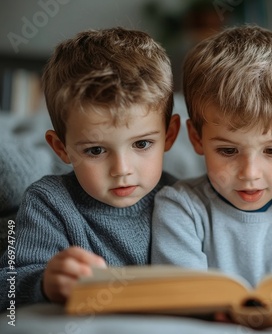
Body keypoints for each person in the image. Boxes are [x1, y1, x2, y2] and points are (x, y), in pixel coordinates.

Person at [0, 27, 180, 310]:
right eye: (96, 150)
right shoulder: (48, 202)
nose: (122, 170)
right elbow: (6, 287)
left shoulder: (182, 199)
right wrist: (44, 283)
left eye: (142, 144)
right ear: (61, 148)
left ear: (170, 135)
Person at [151, 25, 272, 288]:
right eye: (228, 151)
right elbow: (184, 294)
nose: (250, 173)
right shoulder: (179, 208)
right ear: (197, 139)